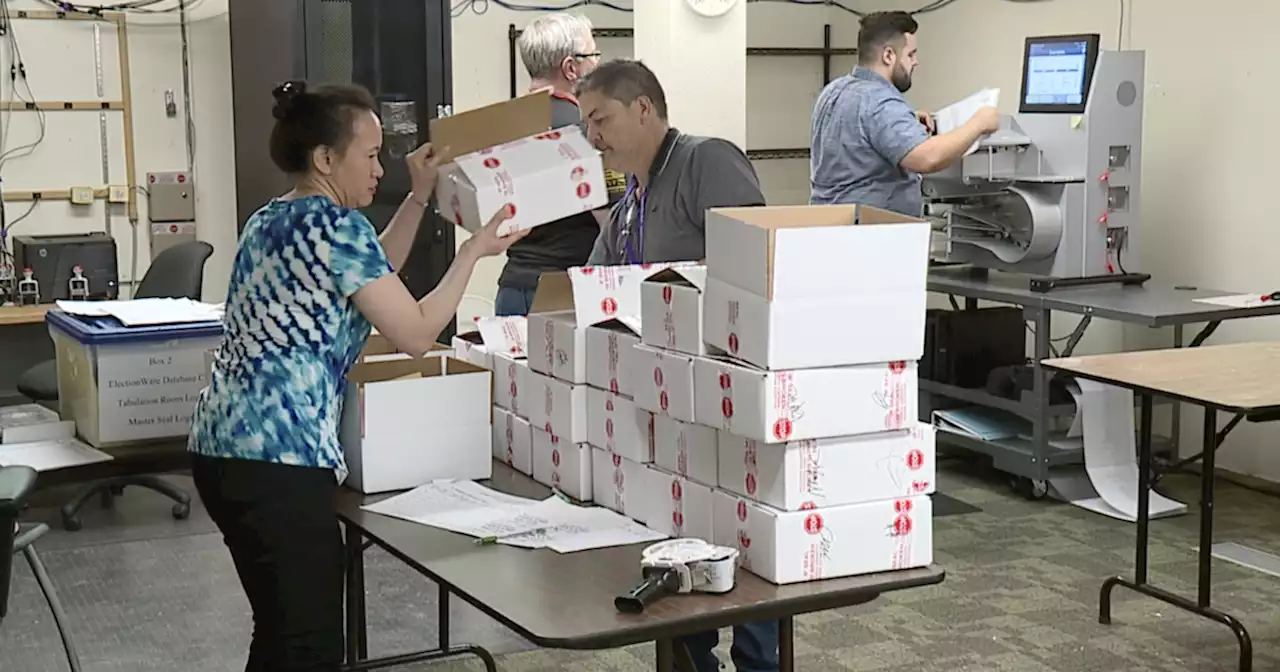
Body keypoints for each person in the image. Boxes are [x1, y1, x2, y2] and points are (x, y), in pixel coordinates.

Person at [187, 80, 525, 672]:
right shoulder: (336, 229)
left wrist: (418, 199)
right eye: (370, 156)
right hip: (280, 463)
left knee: (281, 630)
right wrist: (471, 254)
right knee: (308, 644)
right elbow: (416, 334)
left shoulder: (272, 219)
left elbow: (374, 273)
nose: (379, 169)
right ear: (325, 158)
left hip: (221, 451)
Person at [577, 58, 777, 672]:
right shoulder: (631, 198)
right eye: (586, 123)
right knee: (678, 540)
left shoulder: (703, 161)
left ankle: (759, 661)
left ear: (643, 108)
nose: (593, 137)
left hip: (726, 387)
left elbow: (758, 263)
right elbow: (594, 285)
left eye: (601, 119)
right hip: (666, 396)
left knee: (743, 544)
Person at [495, 13, 626, 315]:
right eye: (594, 56)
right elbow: (612, 224)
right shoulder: (588, 130)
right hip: (564, 294)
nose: (598, 66)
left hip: (513, 289)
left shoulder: (503, 123)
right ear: (571, 68)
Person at [809, 10, 1001, 216]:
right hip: (870, 235)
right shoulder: (880, 102)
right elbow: (928, 158)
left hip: (830, 226)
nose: (915, 61)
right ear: (888, 55)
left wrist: (905, 122)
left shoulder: (834, 90)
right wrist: (979, 123)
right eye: (911, 54)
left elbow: (859, 132)